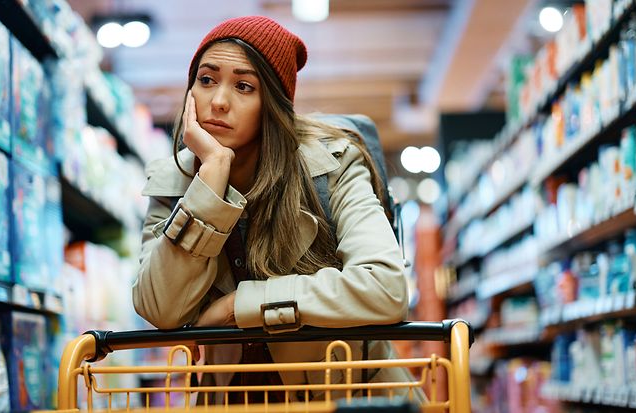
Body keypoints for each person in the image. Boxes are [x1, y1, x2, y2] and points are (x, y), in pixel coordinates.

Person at [133, 15, 423, 403]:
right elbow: (160, 308)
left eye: (243, 86)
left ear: (271, 104)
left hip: (343, 398)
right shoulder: (174, 182)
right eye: (206, 79)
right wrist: (211, 178)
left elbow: (386, 288)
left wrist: (241, 304)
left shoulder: (332, 167)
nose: (218, 101)